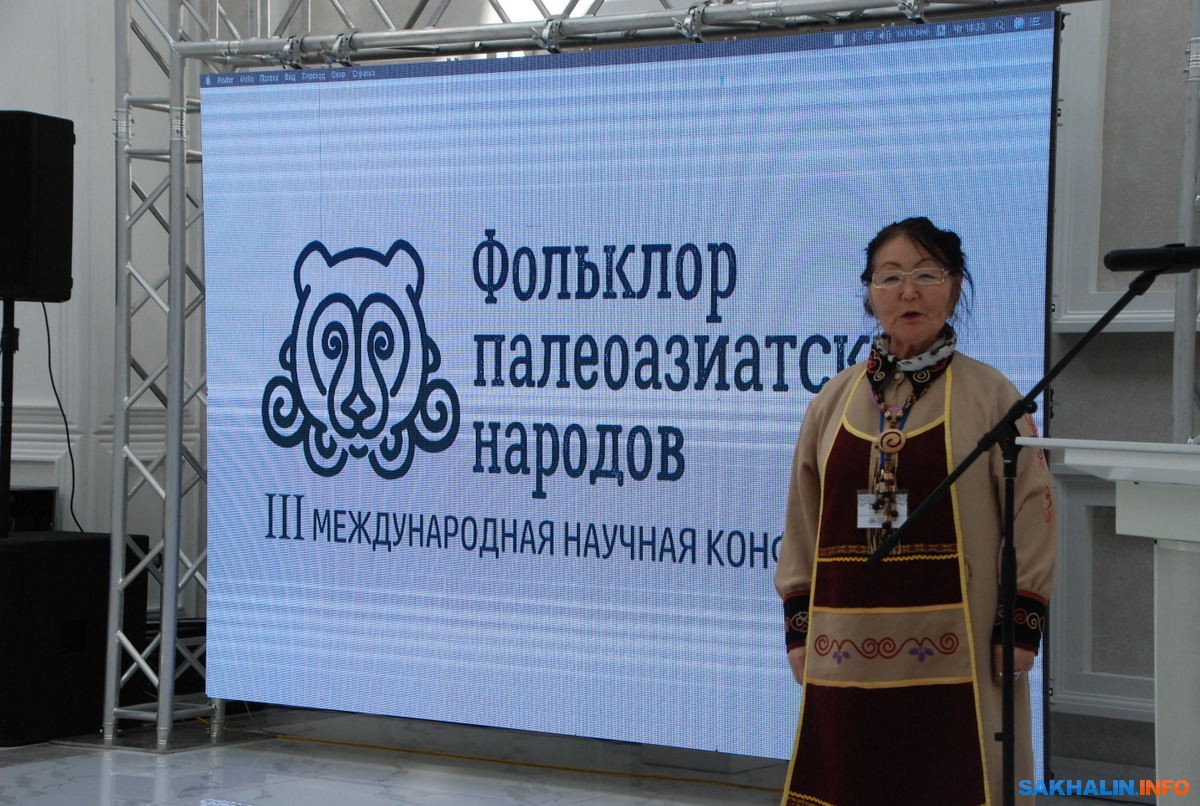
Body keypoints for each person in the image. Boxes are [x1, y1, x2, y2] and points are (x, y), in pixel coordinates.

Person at [774, 217, 1056, 806]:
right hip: (847, 644)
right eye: (891, 276)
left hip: (963, 643)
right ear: (869, 292)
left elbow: (1032, 512)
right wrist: (799, 628)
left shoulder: (992, 395)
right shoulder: (834, 399)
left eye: (928, 275)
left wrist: (1020, 624)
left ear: (955, 288)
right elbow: (802, 518)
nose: (909, 292)